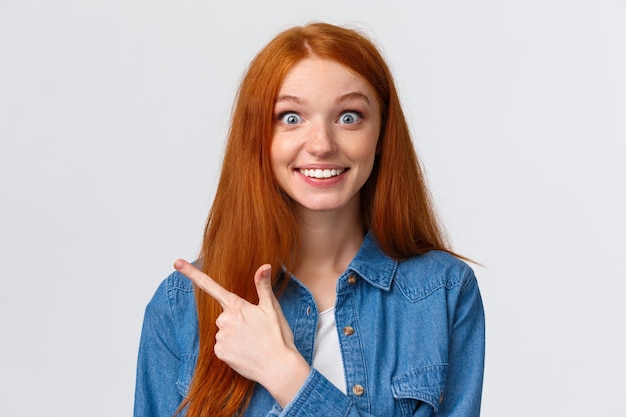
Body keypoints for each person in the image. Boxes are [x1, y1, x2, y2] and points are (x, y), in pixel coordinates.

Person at [134, 22, 485, 417]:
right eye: (290, 117)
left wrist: (286, 375)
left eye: (349, 117)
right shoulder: (180, 307)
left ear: (382, 134)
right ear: (257, 138)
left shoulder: (441, 292)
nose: (321, 144)